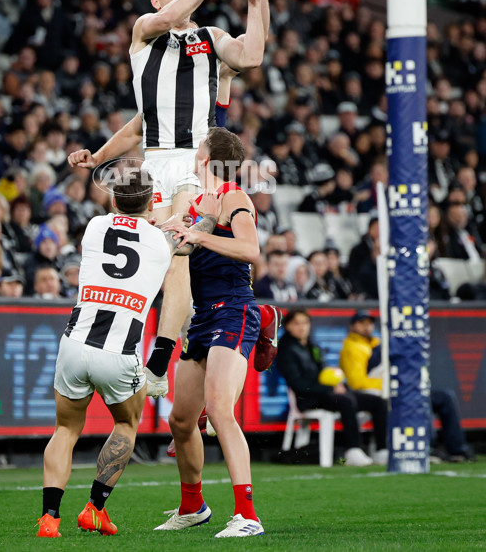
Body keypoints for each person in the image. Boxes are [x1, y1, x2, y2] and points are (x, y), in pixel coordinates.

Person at [68, 0, 270, 397]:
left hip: (194, 160)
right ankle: (183, 340)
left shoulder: (209, 38)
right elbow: (140, 124)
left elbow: (253, 53)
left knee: (180, 248)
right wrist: (98, 154)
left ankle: (159, 360)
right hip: (153, 161)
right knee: (152, 258)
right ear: (157, 2)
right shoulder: (144, 32)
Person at [36, 168, 221, 538]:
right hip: (119, 354)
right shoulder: (159, 243)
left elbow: (128, 226)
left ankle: (49, 518)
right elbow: (183, 240)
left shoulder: (93, 228)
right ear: (152, 202)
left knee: (65, 429)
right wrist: (210, 215)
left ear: (113, 199)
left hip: (75, 345)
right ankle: (94, 508)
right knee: (124, 425)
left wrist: (155, 219)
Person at [153, 127, 266, 538]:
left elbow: (250, 250)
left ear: (208, 156)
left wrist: (197, 233)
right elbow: (183, 247)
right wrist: (167, 229)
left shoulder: (235, 197)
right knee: (181, 420)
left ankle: (247, 516)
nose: (194, 150)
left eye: (199, 146)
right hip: (204, 317)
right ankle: (192, 506)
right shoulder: (201, 201)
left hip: (234, 310)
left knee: (219, 410)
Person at [339, 310, 474, 463]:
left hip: (397, 389)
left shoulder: (379, 343)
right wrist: (392, 385)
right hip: (378, 393)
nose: (367, 327)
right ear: (352, 326)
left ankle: (458, 449)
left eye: (369, 323)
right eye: (361, 323)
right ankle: (426, 446)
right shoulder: (351, 347)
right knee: (418, 398)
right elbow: (357, 382)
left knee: (444, 397)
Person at [277, 308, 387, 467]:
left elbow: (324, 373)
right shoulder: (286, 350)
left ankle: (381, 450)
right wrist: (329, 388)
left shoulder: (312, 346)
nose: (302, 327)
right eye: (296, 323)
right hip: (308, 399)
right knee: (345, 401)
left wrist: (337, 384)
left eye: (305, 323)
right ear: (288, 326)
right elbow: (298, 384)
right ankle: (353, 450)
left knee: (377, 402)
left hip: (325, 393)